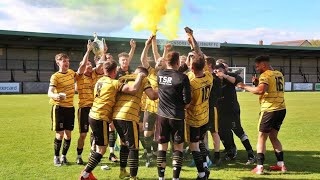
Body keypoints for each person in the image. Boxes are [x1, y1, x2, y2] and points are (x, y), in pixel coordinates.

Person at [79, 60, 145, 180]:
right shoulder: (114, 83)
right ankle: (85, 174)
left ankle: (87, 173)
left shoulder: (100, 80)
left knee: (100, 147)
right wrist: (140, 76)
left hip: (93, 114)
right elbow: (134, 89)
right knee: (101, 149)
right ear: (114, 71)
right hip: (100, 117)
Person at [237, 55, 287, 175]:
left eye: (258, 66)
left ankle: (259, 167)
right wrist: (257, 82)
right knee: (273, 137)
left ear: (264, 65)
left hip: (269, 110)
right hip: (281, 109)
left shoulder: (265, 75)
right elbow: (269, 85)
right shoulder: (278, 73)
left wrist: (244, 86)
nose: (257, 68)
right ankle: (281, 165)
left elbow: (260, 91)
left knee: (261, 137)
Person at [113, 66, 158, 180]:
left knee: (124, 144)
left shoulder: (122, 78)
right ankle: (133, 176)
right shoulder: (144, 79)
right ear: (144, 75)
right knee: (134, 147)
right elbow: (152, 96)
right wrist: (164, 88)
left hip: (116, 115)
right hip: (129, 115)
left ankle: (123, 171)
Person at [155, 51, 191, 180]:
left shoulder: (159, 75)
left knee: (162, 147)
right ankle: (175, 178)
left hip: (162, 116)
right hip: (177, 116)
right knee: (178, 148)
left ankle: (161, 177)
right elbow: (187, 100)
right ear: (177, 62)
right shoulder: (183, 77)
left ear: (166, 62)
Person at [213, 62, 255, 164]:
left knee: (238, 131)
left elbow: (237, 82)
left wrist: (224, 76)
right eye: (215, 70)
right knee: (222, 132)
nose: (217, 72)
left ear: (224, 70)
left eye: (219, 70)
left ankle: (251, 154)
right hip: (220, 111)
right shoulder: (214, 79)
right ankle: (231, 152)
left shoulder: (231, 76)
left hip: (232, 110)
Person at [75, 41, 105, 165]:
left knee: (95, 133)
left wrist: (103, 51)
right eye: (87, 64)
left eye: (90, 64)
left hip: (95, 108)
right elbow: (82, 65)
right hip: (84, 108)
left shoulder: (95, 73)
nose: (88, 65)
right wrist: (87, 51)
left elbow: (100, 65)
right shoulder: (79, 76)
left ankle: (92, 153)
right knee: (83, 134)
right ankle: (79, 155)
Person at [140, 35, 168, 167]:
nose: (159, 62)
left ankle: (156, 154)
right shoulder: (151, 72)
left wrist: (164, 52)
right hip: (150, 108)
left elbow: (160, 56)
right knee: (147, 133)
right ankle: (149, 153)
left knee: (160, 134)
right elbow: (143, 59)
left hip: (163, 110)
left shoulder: (168, 75)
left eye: (162, 61)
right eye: (158, 61)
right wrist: (147, 45)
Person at [185, 52, 212, 180]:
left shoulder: (192, 83)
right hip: (205, 116)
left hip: (194, 118)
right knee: (201, 141)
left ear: (192, 68)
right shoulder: (209, 77)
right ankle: (205, 165)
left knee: (194, 146)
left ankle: (202, 174)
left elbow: (188, 103)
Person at [48, 53, 79, 167]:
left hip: (70, 108)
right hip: (59, 108)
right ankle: (56, 157)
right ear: (58, 63)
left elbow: (81, 73)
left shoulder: (71, 73)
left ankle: (64, 156)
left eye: (67, 61)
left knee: (68, 134)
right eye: (63, 61)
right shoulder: (55, 76)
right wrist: (55, 96)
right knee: (60, 134)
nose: (66, 63)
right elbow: (50, 91)